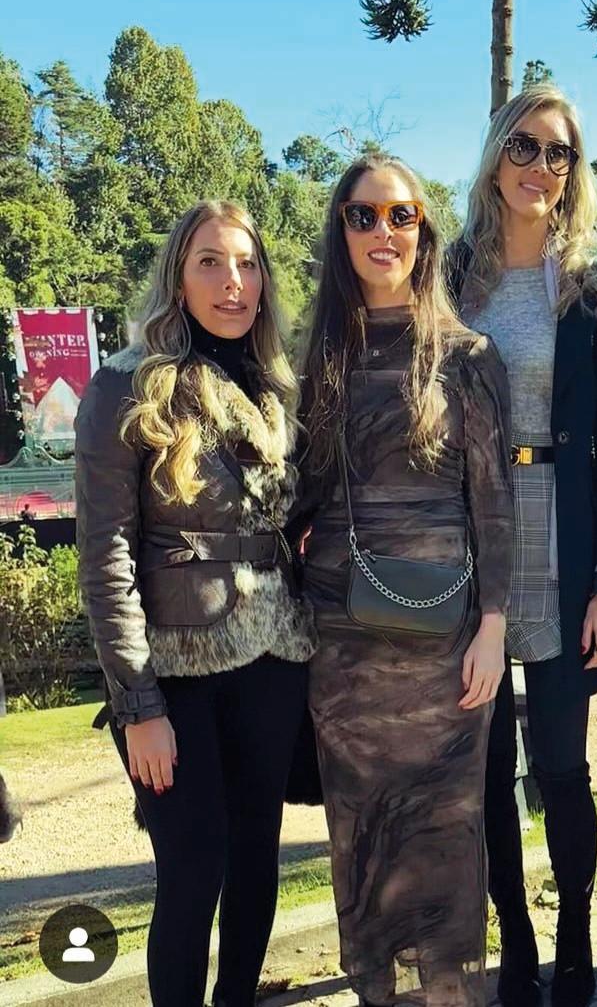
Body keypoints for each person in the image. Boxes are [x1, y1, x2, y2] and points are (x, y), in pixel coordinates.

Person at [74, 201, 314, 1007]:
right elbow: (104, 552)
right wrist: (137, 703)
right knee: (190, 866)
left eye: (247, 264)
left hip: (276, 657)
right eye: (210, 261)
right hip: (171, 671)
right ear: (178, 273)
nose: (233, 281)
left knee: (256, 857)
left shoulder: (279, 386)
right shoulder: (127, 383)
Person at [294, 156, 514, 1007]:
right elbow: (299, 489)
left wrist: (495, 625)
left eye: (401, 215)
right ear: (340, 231)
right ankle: (376, 991)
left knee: (448, 827)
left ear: (424, 231)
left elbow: (495, 501)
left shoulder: (468, 356)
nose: (382, 232)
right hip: (342, 643)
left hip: (446, 637)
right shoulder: (319, 352)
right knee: (359, 829)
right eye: (362, 216)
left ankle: (453, 992)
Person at [451, 83, 597, 1007]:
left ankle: (574, 934)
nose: (540, 167)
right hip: (467, 539)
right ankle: (517, 946)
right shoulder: (444, 277)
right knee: (486, 770)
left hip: (565, 537)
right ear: (496, 155)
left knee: (563, 766)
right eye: (525, 147)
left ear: (575, 174)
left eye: (560, 153)